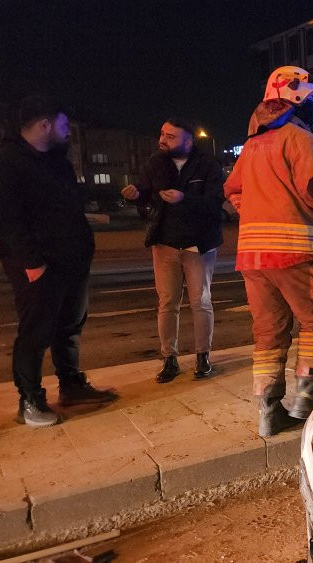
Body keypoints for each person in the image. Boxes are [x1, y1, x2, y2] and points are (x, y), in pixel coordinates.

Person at [0, 96, 118, 427]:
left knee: (70, 327)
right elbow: (7, 220)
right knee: (36, 332)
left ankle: (71, 386)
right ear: (45, 125)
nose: (69, 130)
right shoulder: (4, 164)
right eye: (64, 124)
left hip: (73, 261)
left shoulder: (58, 163)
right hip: (37, 265)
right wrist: (32, 262)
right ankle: (30, 400)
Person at [224, 66, 313, 437]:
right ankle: (305, 401)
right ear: (297, 99)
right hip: (295, 252)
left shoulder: (252, 145)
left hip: (252, 256)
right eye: (312, 101)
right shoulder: (301, 139)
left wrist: (255, 210)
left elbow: (232, 190)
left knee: (268, 334)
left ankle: (268, 413)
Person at [121, 118, 225, 383]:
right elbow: (146, 192)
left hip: (199, 244)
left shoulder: (207, 164)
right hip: (165, 243)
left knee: (200, 302)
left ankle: (203, 356)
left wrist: (184, 199)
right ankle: (169, 359)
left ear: (188, 141)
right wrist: (136, 194)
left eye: (170, 136)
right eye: (162, 134)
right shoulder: (156, 162)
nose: (162, 140)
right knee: (167, 303)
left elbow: (215, 204)